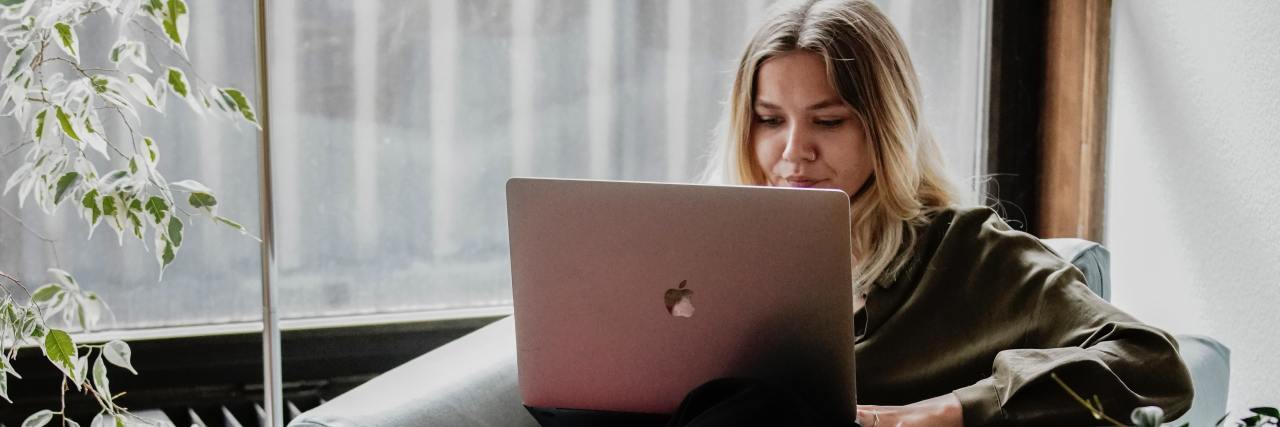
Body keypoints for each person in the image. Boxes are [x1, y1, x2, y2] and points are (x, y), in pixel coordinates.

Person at [673, 0, 1195, 425]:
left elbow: (1153, 363)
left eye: (828, 122)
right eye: (769, 120)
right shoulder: (704, 255)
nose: (793, 152)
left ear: (886, 127)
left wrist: (959, 408)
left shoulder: (972, 256)